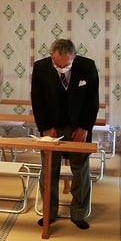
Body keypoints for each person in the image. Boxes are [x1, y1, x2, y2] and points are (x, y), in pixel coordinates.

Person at [30, 38, 99, 230]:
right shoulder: (41, 67)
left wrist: (85, 127)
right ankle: (49, 213)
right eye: (57, 64)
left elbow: (92, 101)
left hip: (79, 126)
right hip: (51, 126)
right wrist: (45, 127)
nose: (61, 68)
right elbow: (37, 100)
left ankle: (78, 213)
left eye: (66, 65)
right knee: (49, 170)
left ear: (74, 56)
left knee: (80, 170)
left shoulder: (88, 66)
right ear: (51, 56)